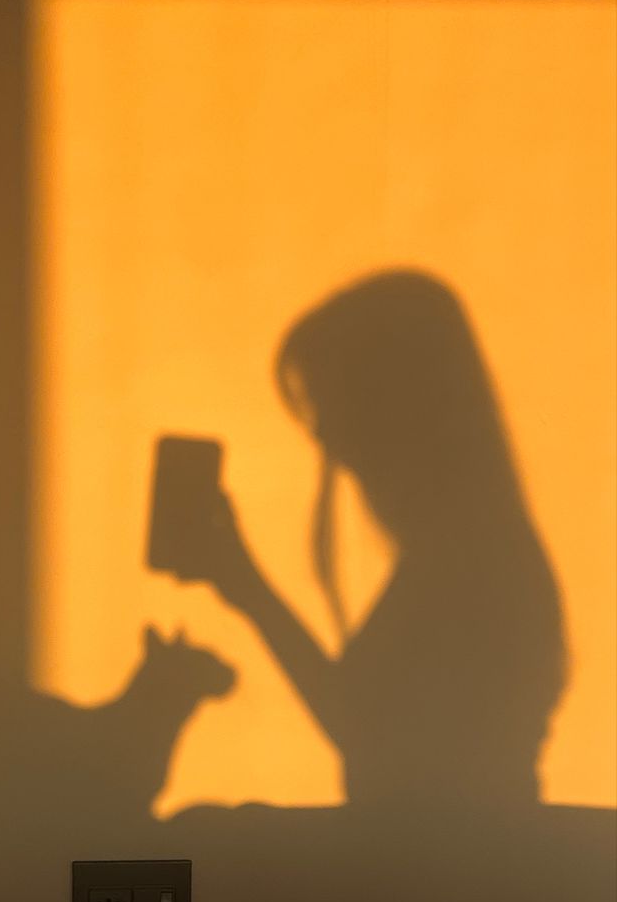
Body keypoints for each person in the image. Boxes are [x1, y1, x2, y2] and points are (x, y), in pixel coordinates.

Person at [193, 271, 565, 812]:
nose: (321, 434)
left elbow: (371, 734)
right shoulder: (473, 550)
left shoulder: (466, 560)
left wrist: (248, 589)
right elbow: (368, 726)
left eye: (333, 401)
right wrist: (246, 587)